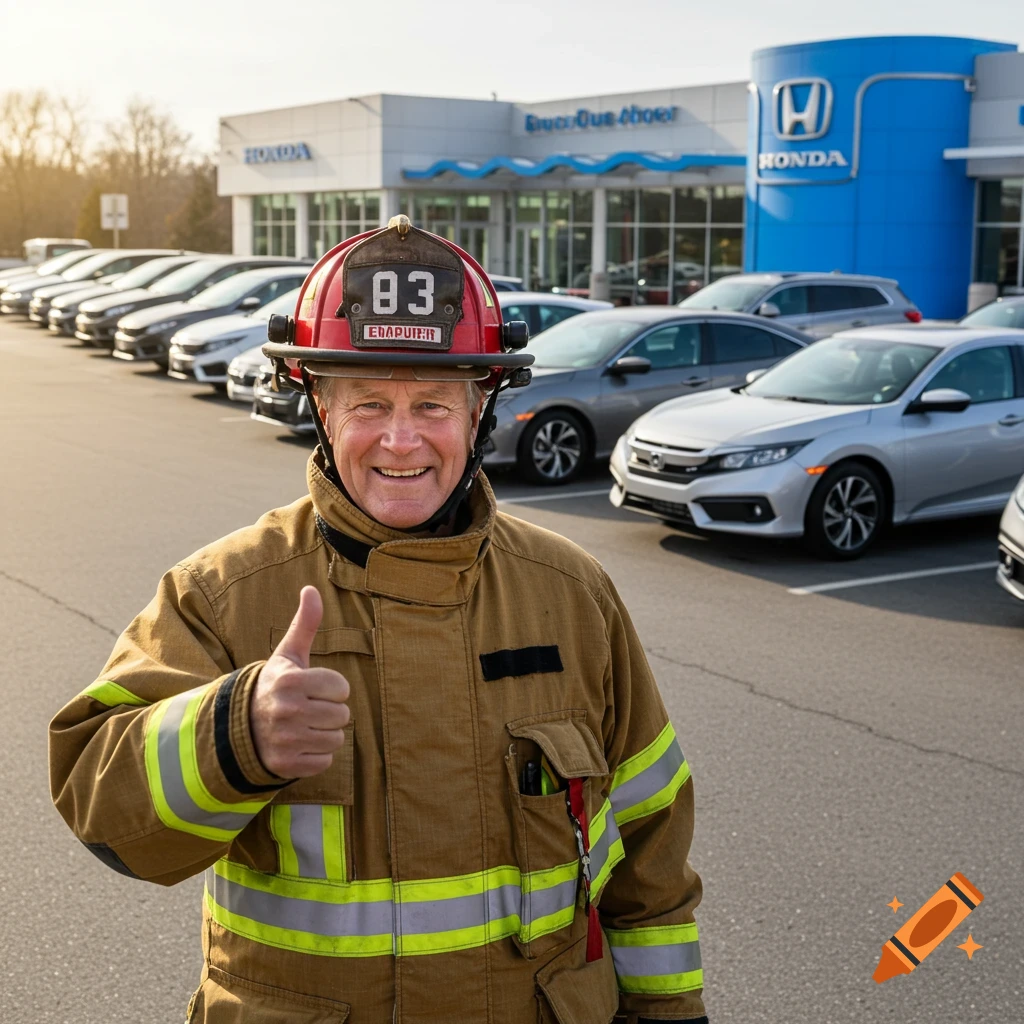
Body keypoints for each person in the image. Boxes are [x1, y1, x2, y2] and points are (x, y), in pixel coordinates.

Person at [49, 216, 707, 1024]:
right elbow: (100, 807)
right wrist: (232, 734)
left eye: (433, 403)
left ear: (480, 411)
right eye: (368, 403)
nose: (401, 440)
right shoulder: (222, 594)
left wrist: (672, 1013)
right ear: (321, 408)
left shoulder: (572, 594)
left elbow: (650, 843)